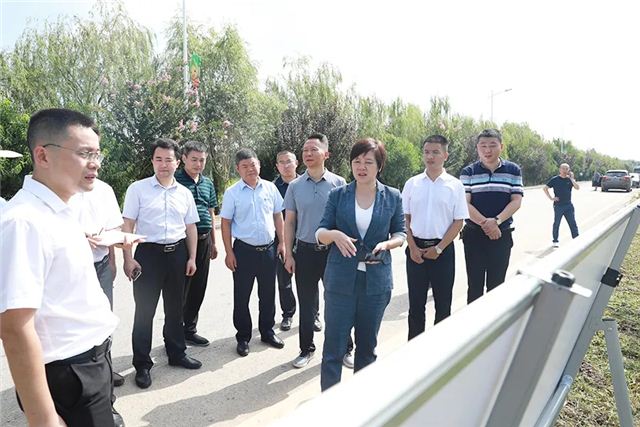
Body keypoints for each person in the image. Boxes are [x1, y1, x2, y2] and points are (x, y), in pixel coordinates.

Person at [0, 108, 118, 426]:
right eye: (84, 153)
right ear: (43, 155)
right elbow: (14, 328)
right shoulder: (24, 221)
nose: (95, 163)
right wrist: (44, 418)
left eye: (97, 154)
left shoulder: (61, 209)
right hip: (68, 373)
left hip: (92, 363)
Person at [316, 138, 405, 391]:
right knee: (333, 349)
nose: (361, 167)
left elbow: (401, 233)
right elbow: (320, 232)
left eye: (368, 162)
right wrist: (335, 235)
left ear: (379, 166)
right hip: (340, 282)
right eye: (356, 161)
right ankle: (330, 403)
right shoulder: (338, 195)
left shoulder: (393, 196)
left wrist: (388, 244)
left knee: (367, 350)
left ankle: (361, 404)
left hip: (376, 284)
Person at [122, 138, 202, 390]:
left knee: (175, 308)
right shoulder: (138, 189)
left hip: (177, 254)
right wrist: (128, 258)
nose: (164, 164)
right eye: (159, 159)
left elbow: (190, 227)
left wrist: (191, 257)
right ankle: (142, 364)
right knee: (144, 311)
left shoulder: (184, 193)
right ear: (152, 161)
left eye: (169, 160)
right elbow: (128, 225)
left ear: (177, 162)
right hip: (148, 255)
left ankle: (176, 353)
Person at [283, 134, 354, 369]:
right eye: (305, 150)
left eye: (313, 149)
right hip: (305, 252)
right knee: (307, 305)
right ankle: (306, 349)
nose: (308, 153)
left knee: (338, 302)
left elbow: (346, 219)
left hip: (333, 253)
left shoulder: (339, 183)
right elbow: (289, 222)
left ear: (326, 154)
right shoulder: (294, 186)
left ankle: (346, 348)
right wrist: (289, 254)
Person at [69, 178, 126, 426]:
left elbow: (111, 229)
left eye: (96, 157)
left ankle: (107, 392)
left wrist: (112, 261)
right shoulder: (57, 188)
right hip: (71, 269)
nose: (93, 163)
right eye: (87, 157)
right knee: (76, 331)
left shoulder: (104, 190)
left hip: (100, 265)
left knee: (103, 328)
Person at [220, 148, 286, 357]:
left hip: (268, 249)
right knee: (242, 296)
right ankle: (243, 337)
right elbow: (225, 223)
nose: (250, 169)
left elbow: (278, 216)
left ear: (259, 165)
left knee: (268, 294)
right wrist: (229, 252)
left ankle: (267, 331)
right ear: (238, 169)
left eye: (253, 164)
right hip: (243, 251)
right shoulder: (232, 193)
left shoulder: (270, 188)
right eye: (245, 166)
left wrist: (283, 243)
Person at [402, 135, 468, 340]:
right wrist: (412, 247)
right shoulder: (412, 184)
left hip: (442, 251)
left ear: (445, 155)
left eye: (435, 152)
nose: (430, 156)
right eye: (426, 152)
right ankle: (413, 349)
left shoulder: (455, 185)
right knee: (416, 306)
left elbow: (458, 221)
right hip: (416, 252)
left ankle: (439, 351)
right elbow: (405, 219)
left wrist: (439, 249)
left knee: (443, 305)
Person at [459, 129, 523, 304]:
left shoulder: (513, 170)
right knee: (475, 286)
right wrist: (486, 224)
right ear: (477, 148)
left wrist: (496, 221)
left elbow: (516, 201)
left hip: (501, 234)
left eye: (492, 145)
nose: (487, 150)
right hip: (474, 235)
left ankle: (494, 321)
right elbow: (465, 203)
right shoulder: (468, 172)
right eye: (483, 146)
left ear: (501, 146)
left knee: (497, 286)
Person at [175, 141, 219, 347]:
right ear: (183, 158)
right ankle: (174, 333)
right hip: (181, 242)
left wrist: (214, 242)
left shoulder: (207, 183)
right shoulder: (175, 180)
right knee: (179, 290)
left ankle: (189, 330)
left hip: (204, 240)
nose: (198, 164)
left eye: (202, 160)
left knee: (198, 288)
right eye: (194, 159)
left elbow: (211, 212)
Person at [273, 150, 299, 331]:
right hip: (281, 240)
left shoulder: (306, 183)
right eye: (281, 162)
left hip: (305, 238)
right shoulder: (272, 188)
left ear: (296, 163)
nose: (285, 165)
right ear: (277, 166)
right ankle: (287, 314)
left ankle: (313, 315)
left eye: (289, 161)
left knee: (308, 280)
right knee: (284, 281)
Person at [543, 163, 579, 248]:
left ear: (568, 170)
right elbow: (545, 188)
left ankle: (576, 239)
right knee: (557, 223)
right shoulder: (555, 179)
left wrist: (572, 179)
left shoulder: (570, 180)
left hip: (568, 205)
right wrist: (551, 198)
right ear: (560, 170)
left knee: (572, 223)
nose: (565, 170)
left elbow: (577, 188)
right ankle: (555, 241)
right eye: (563, 168)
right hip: (558, 206)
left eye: (566, 169)